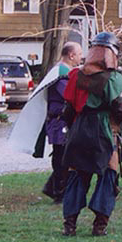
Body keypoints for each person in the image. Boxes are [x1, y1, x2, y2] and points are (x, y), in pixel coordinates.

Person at [61, 32, 122, 236]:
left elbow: (68, 110)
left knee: (77, 176)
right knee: (108, 176)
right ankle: (99, 226)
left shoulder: (75, 74)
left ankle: (70, 225)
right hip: (105, 132)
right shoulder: (113, 79)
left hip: (79, 130)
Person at [41, 42, 83, 203]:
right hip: (59, 122)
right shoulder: (61, 73)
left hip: (63, 121)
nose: (81, 56)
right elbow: (69, 95)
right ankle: (59, 192)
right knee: (61, 157)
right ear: (71, 55)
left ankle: (54, 188)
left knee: (67, 156)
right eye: (79, 54)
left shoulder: (66, 72)